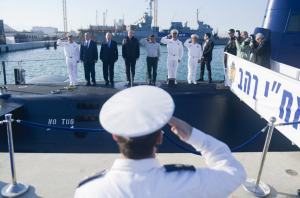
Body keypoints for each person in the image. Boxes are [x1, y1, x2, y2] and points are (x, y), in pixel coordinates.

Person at [74, 86, 247, 198]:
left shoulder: (86, 191)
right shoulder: (191, 181)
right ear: (160, 137)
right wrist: (194, 136)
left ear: (115, 136)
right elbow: (235, 171)